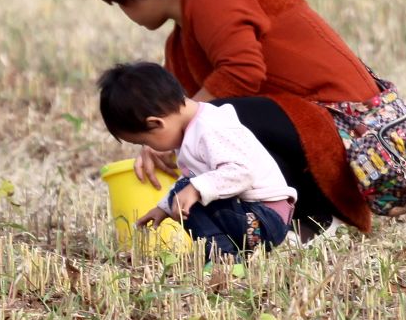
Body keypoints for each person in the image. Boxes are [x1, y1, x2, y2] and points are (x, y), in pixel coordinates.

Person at [93, 0, 387, 238]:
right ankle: (260, 225)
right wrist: (162, 143)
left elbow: (241, 72)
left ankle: (310, 216)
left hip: (346, 131)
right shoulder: (178, 44)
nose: (123, 11)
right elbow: (178, 116)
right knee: (208, 127)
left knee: (219, 118)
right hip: (304, 129)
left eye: (120, 1)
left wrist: (179, 128)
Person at [98, 62, 297, 262]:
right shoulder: (192, 129)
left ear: (156, 123)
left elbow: (242, 173)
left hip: (264, 219)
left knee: (189, 190)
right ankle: (223, 255)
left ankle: (223, 258)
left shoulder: (210, 128)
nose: (147, 148)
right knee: (186, 190)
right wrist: (164, 208)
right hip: (252, 214)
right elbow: (193, 180)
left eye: (143, 141)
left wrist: (193, 189)